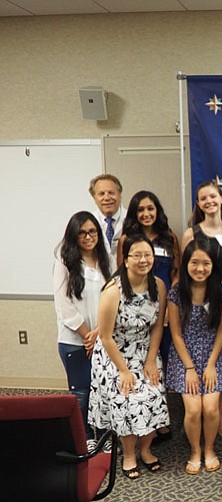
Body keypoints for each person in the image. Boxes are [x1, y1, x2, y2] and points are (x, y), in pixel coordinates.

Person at [88, 234, 169, 479]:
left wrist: (151, 359)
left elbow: (157, 327)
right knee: (128, 400)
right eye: (137, 255)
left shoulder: (159, 286)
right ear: (125, 259)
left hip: (144, 351)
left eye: (148, 255)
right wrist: (124, 370)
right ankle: (130, 454)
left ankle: (146, 450)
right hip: (114, 356)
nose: (143, 260)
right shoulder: (113, 290)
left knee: (153, 395)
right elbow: (105, 337)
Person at [165, 238, 222, 475]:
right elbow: (175, 333)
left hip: (213, 353)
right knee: (193, 409)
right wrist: (190, 368)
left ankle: (210, 449)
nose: (200, 268)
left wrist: (212, 363)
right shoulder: (176, 292)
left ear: (213, 264)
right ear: (186, 263)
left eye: (206, 263)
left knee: (211, 408)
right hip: (185, 357)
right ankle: (195, 450)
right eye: (194, 262)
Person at [53, 211, 111, 450]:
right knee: (82, 393)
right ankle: (85, 436)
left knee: (105, 390)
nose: (88, 237)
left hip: (103, 337)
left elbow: (113, 297)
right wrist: (88, 334)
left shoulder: (106, 260)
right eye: (83, 232)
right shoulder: (64, 261)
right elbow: (63, 305)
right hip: (75, 340)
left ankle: (104, 435)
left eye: (93, 232)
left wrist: (99, 332)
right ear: (74, 235)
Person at [182, 180, 222, 439]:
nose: (209, 202)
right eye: (203, 198)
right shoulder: (191, 233)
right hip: (198, 306)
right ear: (198, 203)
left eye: (213, 196)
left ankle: (221, 410)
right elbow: (184, 273)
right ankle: (202, 411)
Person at [119, 191, 181, 396]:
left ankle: (162, 411)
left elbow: (176, 273)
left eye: (150, 208)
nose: (146, 213)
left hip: (163, 307)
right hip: (137, 308)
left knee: (162, 356)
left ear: (157, 210)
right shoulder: (126, 239)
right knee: (138, 358)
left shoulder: (169, 237)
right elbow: (122, 274)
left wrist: (168, 309)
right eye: (141, 209)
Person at [89, 173, 126, 269]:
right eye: (101, 194)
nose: (107, 198)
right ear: (94, 198)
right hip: (98, 278)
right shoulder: (87, 222)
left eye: (111, 193)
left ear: (120, 195)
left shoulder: (132, 219)